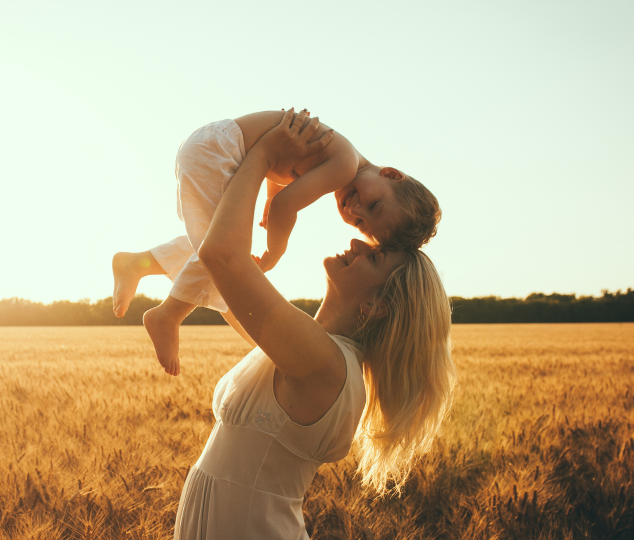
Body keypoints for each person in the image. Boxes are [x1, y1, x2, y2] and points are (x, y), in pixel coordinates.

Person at [170, 109, 457, 539]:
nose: (358, 240)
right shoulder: (313, 348)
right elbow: (221, 282)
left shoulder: (325, 363)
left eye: (375, 255)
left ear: (377, 306)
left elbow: (223, 258)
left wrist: (265, 151)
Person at [112, 109, 442, 375]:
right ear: (392, 174)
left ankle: (136, 262)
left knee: (212, 243)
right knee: (223, 251)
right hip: (219, 152)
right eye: (373, 205)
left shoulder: (343, 156)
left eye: (359, 222)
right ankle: (168, 315)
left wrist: (270, 197)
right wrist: (275, 251)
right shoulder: (344, 167)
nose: (355, 208)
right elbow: (288, 205)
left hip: (213, 145)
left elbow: (282, 172)